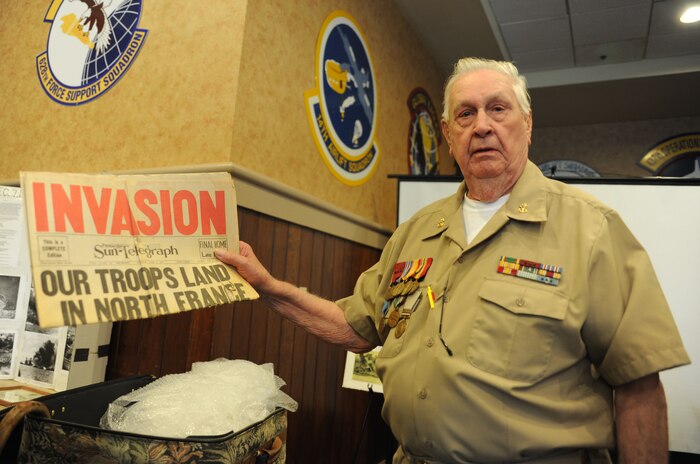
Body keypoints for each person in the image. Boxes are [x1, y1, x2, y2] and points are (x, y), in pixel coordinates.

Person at [215, 57, 690, 464]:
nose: (482, 124)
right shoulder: (416, 231)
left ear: (527, 123)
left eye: (498, 109)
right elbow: (356, 325)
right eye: (466, 113)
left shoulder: (592, 229)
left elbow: (639, 386)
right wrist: (270, 288)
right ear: (448, 133)